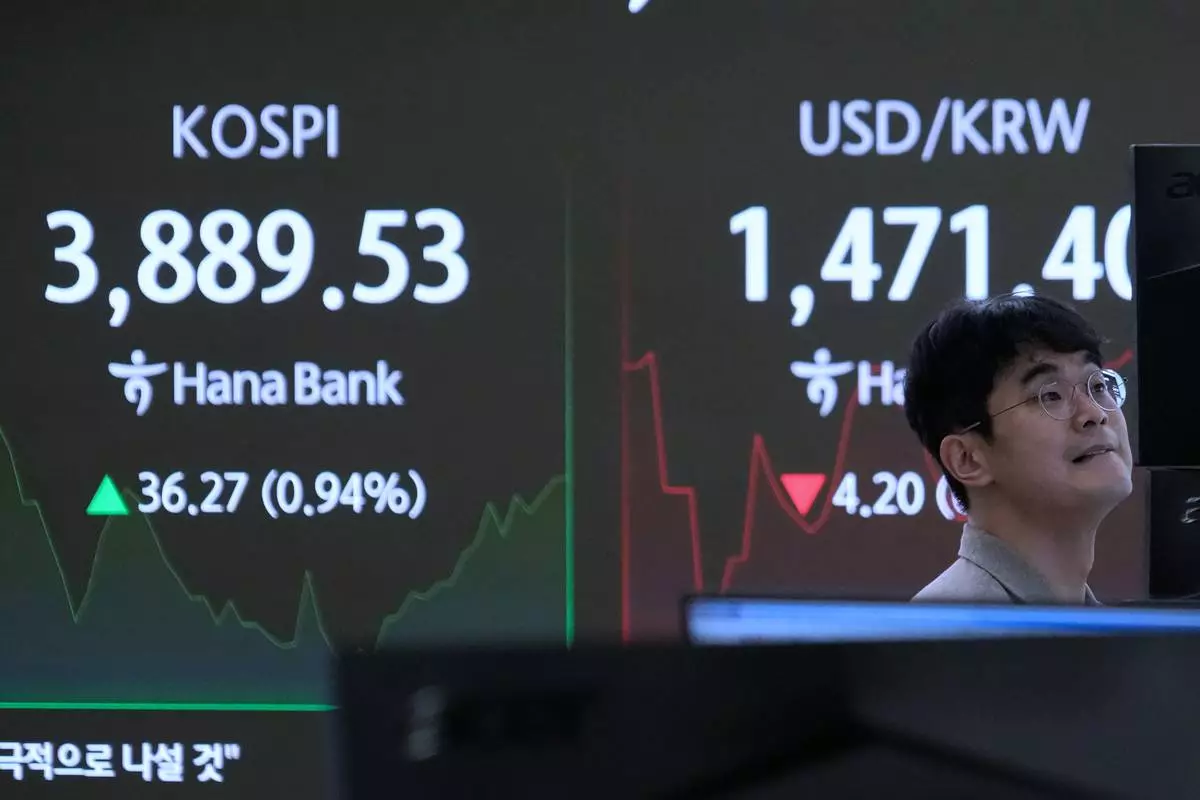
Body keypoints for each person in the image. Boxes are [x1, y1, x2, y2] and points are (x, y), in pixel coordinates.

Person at [903, 294, 1133, 604]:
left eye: (1097, 386)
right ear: (967, 459)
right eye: (1050, 395)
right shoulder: (944, 634)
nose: (1094, 413)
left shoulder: (1105, 632)